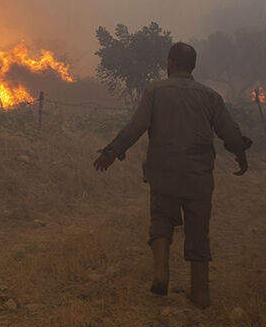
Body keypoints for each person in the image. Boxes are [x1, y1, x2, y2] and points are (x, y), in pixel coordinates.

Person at [93, 42, 251, 308]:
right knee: (198, 231)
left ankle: (160, 273)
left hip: (163, 172)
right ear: (193, 66)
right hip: (198, 176)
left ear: (170, 63)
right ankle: (200, 292)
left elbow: (137, 126)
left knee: (161, 219)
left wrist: (111, 152)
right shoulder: (210, 96)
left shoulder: (155, 90)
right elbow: (231, 133)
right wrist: (241, 154)